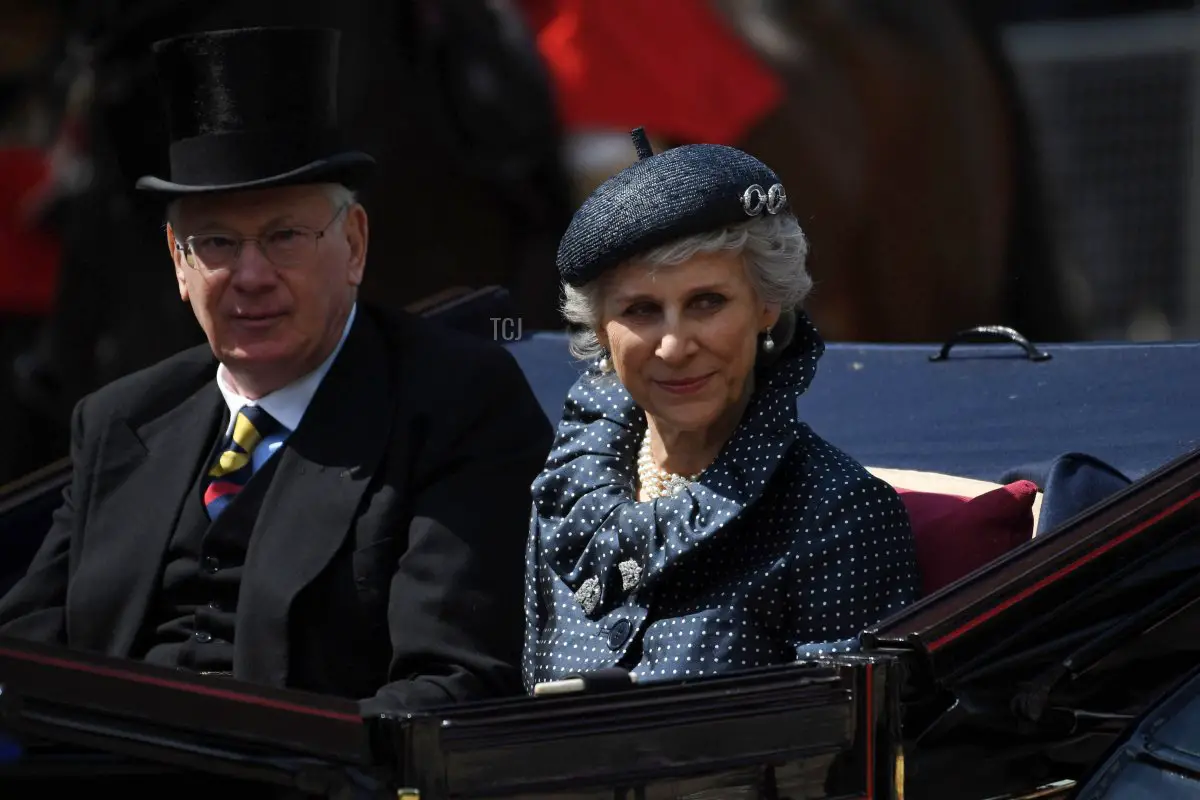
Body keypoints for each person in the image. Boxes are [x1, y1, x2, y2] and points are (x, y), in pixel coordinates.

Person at [0, 26, 554, 717]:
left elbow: (454, 686)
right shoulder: (121, 420)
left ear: (353, 245)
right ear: (179, 261)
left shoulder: (455, 403)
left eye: (285, 237)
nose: (252, 276)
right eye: (218, 243)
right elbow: (22, 657)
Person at [523, 129, 919, 687]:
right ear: (599, 328)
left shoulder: (838, 515)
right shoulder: (568, 501)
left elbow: (838, 758)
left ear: (766, 305)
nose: (674, 346)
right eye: (640, 310)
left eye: (706, 302)